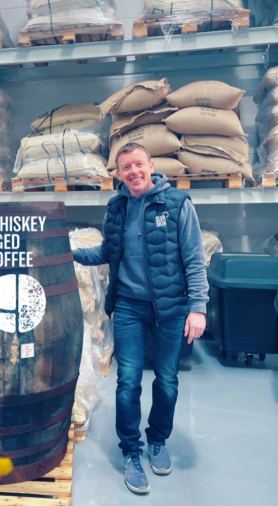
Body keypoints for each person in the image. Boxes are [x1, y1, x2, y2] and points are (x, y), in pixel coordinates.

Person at [72, 143, 208, 495]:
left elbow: (194, 258)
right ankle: (132, 450)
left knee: (166, 378)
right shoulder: (116, 206)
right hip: (129, 307)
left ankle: (158, 440)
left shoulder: (177, 204)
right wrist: (68, 251)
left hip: (170, 308)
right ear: (118, 174)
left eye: (138, 165)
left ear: (151, 166)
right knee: (128, 380)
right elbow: (107, 251)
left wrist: (198, 307)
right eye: (125, 167)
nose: (133, 172)